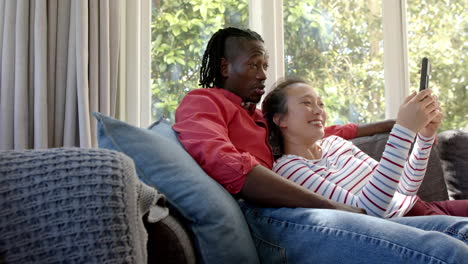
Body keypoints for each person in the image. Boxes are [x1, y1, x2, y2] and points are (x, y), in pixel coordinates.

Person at [173, 27, 468, 263]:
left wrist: (393, 125)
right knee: (449, 249)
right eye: (253, 65)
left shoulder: (260, 118)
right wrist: (333, 206)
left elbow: (324, 130)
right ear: (224, 67)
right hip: (272, 212)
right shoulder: (203, 101)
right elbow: (225, 162)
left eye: (265, 65)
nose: (263, 75)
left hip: (319, 205)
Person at [262, 78, 468, 217]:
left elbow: (404, 189)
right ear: (281, 120)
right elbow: (368, 214)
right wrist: (404, 130)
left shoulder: (337, 144)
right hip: (408, 224)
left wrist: (425, 137)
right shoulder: (289, 169)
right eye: (307, 104)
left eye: (321, 104)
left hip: (422, 207)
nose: (318, 111)